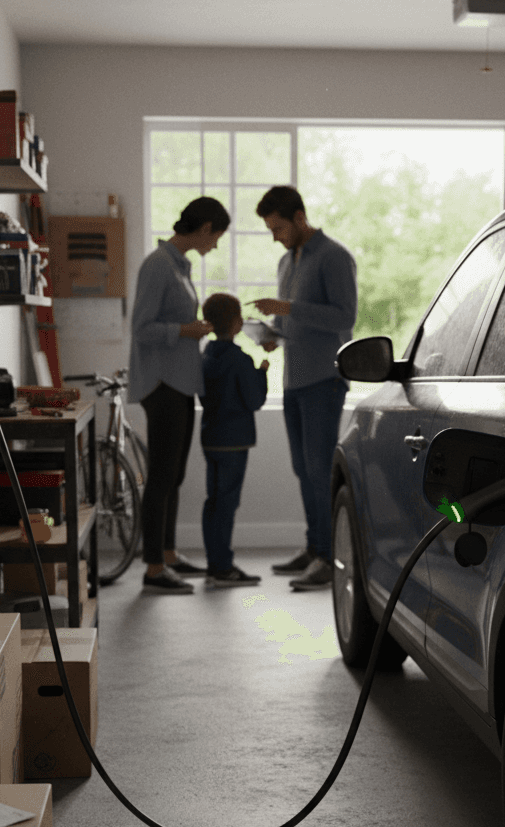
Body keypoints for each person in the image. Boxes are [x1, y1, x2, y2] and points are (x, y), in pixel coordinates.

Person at [252, 186, 358, 592]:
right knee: (303, 471)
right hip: (294, 380)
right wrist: (272, 334)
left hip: (324, 380)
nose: (274, 235)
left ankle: (329, 559)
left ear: (299, 218)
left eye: (278, 227)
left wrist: (288, 309)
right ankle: (314, 549)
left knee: (318, 472)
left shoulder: (334, 257)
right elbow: (293, 323)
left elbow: (344, 316)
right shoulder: (286, 261)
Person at [130, 196, 230, 593]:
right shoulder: (158, 266)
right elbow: (142, 328)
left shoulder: (177, 266)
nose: (216, 245)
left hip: (180, 383)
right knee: (161, 477)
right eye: (217, 236)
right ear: (204, 228)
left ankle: (167, 554)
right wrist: (185, 331)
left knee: (175, 475)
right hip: (162, 384)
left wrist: (189, 329)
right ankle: (154, 568)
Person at [199, 293, 270, 589]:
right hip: (235, 441)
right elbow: (254, 400)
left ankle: (214, 563)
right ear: (238, 323)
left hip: (211, 438)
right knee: (227, 504)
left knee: (213, 501)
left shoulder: (205, 356)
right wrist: (262, 372)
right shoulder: (241, 360)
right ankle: (223, 567)